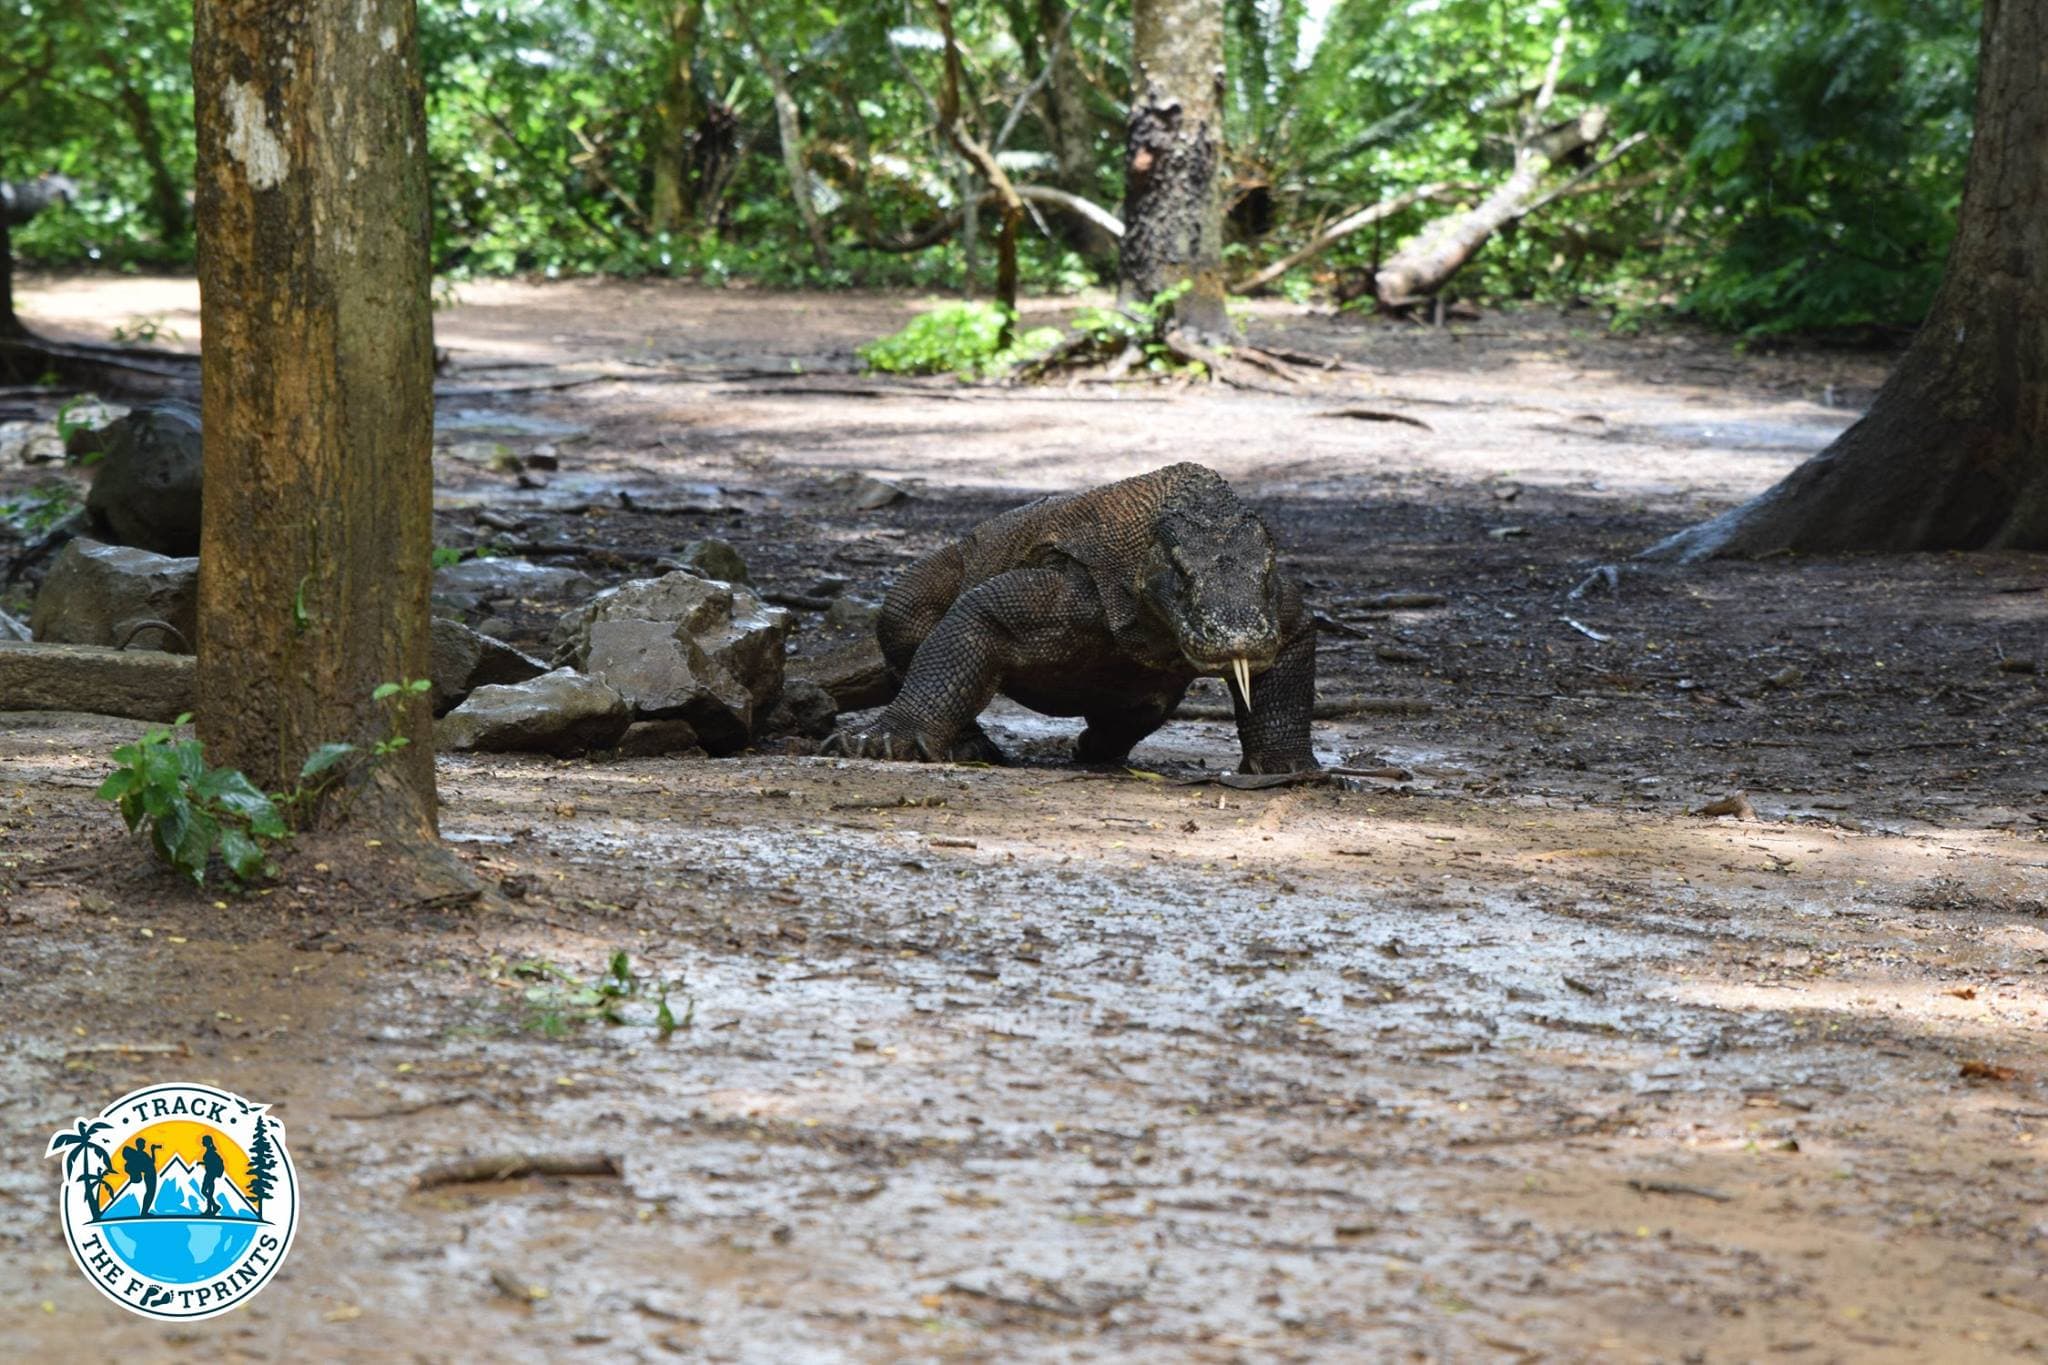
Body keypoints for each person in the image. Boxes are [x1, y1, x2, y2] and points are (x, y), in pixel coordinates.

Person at [119, 1137, 159, 1217]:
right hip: (150, 1175)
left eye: (144, 1144)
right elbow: (151, 1163)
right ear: (139, 1145)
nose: (144, 1145)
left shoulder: (141, 1154)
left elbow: (151, 1162)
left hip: (151, 1174)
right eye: (143, 1144)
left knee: (150, 1193)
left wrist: (152, 1150)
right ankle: (144, 1212)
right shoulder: (140, 1154)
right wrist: (152, 1150)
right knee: (150, 1193)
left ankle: (144, 1212)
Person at [198, 1135, 226, 1216]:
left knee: (204, 1191)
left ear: (207, 1142)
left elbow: (211, 1163)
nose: (202, 1142)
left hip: (210, 1174)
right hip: (210, 1174)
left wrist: (203, 1163)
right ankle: (212, 1208)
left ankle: (212, 1208)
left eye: (203, 1141)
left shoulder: (210, 1152)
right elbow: (210, 1162)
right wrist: (202, 1163)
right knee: (208, 1192)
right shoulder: (210, 1151)